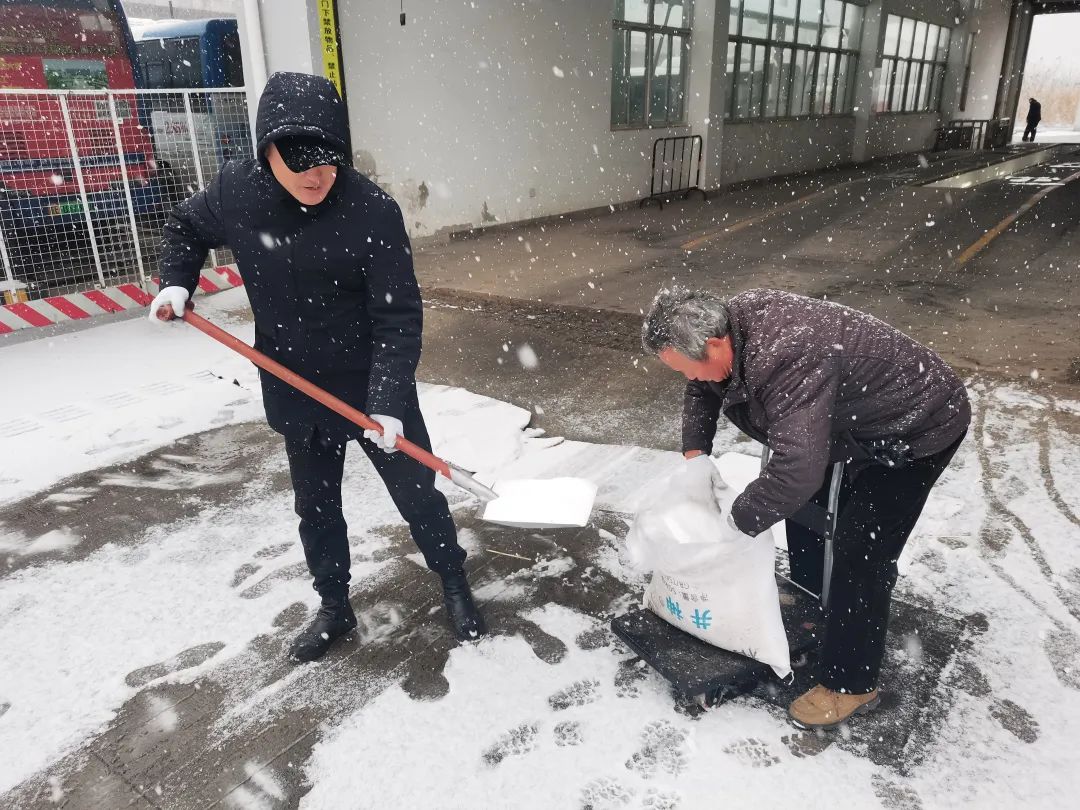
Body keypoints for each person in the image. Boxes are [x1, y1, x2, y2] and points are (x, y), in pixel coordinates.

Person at [149, 72, 486, 663]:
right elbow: (185, 225)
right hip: (294, 385)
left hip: (372, 387)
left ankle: (454, 581)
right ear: (266, 151)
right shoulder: (236, 192)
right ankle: (334, 605)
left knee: (418, 496)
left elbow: (398, 317)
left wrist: (385, 400)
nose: (316, 175)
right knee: (317, 508)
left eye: (327, 161)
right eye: (299, 161)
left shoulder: (372, 211)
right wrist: (177, 281)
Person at [641, 288, 970, 730]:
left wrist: (735, 525)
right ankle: (815, 605)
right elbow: (704, 388)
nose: (693, 379)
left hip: (916, 424)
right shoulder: (723, 333)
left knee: (861, 550)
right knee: (801, 508)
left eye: (690, 368)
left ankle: (850, 683)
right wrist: (695, 455)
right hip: (846, 419)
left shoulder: (788, 354)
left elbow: (797, 470)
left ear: (716, 344)